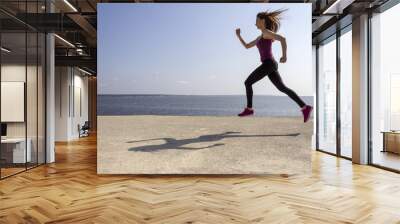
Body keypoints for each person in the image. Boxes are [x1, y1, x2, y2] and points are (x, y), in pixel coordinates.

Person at [235, 9, 313, 123]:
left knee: (248, 82)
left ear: (262, 21)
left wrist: (284, 56)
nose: (255, 23)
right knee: (282, 88)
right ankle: (305, 107)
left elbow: (282, 39)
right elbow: (247, 46)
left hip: (269, 63)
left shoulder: (266, 33)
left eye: (256, 20)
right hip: (269, 64)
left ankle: (249, 109)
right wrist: (239, 36)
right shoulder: (260, 37)